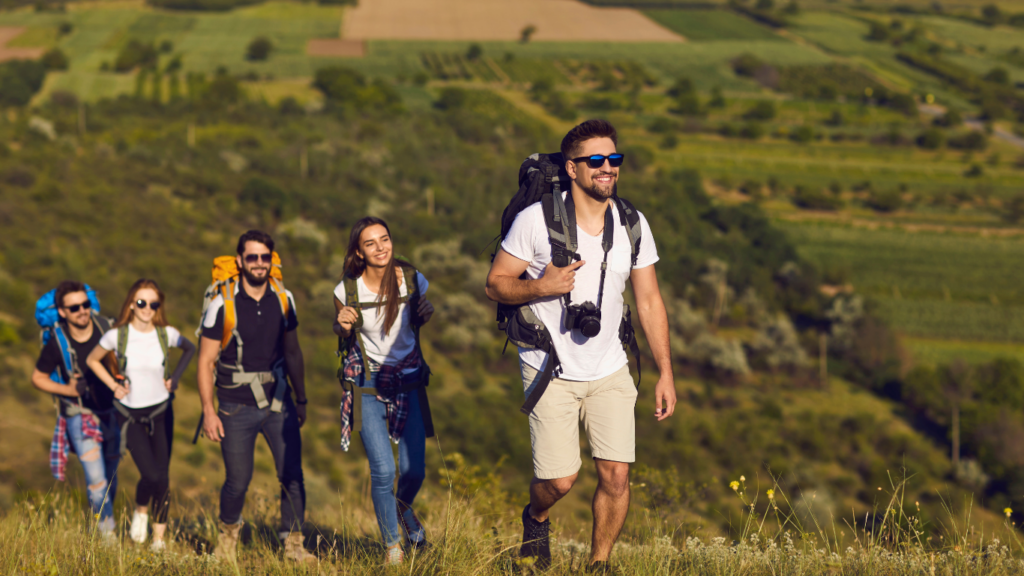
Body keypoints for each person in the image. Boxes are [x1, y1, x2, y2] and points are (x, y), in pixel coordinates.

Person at [485, 119, 677, 571]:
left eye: (614, 159)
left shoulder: (631, 221)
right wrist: (541, 287)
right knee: (560, 480)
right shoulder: (536, 222)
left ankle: (599, 564)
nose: (607, 168)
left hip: (610, 367)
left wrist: (666, 372)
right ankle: (536, 517)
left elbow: (649, 300)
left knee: (616, 474)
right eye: (596, 160)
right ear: (572, 169)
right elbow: (495, 284)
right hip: (549, 367)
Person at [196, 230, 315, 564]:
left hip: (280, 402)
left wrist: (301, 399)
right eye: (252, 257)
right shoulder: (223, 304)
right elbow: (205, 361)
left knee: (292, 474)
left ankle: (294, 546)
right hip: (235, 407)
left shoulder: (283, 298)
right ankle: (226, 544)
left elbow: (293, 352)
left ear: (271, 260)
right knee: (237, 481)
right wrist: (209, 411)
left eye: (265, 257)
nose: (259, 263)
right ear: (240, 261)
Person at [333, 216, 435, 566]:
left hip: (409, 384)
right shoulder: (346, 290)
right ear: (358, 252)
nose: (381, 248)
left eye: (385, 239)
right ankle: (393, 548)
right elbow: (343, 331)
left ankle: (403, 511)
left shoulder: (413, 279)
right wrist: (342, 325)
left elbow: (420, 318)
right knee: (383, 472)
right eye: (370, 243)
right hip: (367, 386)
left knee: (414, 471)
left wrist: (426, 312)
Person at [86, 279, 196, 551]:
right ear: (132, 305)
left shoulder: (166, 333)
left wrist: (176, 379)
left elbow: (190, 348)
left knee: (163, 475)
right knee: (151, 474)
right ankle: (140, 508)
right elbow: (92, 360)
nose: (147, 308)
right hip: (129, 416)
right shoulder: (117, 336)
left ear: (159, 306)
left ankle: (158, 540)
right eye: (141, 303)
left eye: (153, 303)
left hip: (161, 411)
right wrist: (113, 385)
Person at [30, 281, 121, 541]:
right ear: (62, 311)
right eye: (74, 307)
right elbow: (38, 377)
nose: (82, 311)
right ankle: (108, 539)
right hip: (79, 415)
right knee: (96, 480)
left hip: (112, 412)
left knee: (111, 477)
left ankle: (101, 525)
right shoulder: (57, 343)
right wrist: (70, 391)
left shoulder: (106, 327)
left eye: (85, 304)